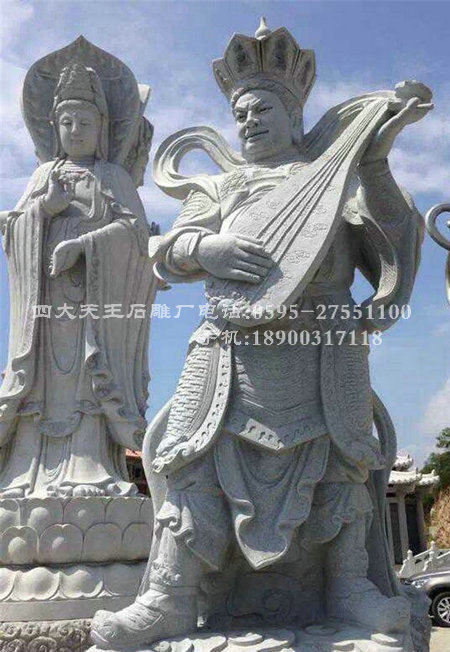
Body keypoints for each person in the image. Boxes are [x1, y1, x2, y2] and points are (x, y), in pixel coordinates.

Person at [92, 21, 432, 649]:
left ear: (294, 114)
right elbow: (165, 250)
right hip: (229, 348)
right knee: (190, 456)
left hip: (322, 344)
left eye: (263, 109)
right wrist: (207, 248)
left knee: (343, 458)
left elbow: (392, 237)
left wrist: (376, 161)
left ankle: (349, 586)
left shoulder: (335, 177)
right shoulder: (225, 185)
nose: (249, 121)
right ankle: (170, 594)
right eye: (241, 113)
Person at [0, 60, 157, 498]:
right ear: (53, 126)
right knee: (42, 384)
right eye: (67, 122)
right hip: (44, 312)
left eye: (85, 122)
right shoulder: (43, 175)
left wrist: (84, 245)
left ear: (102, 126)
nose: (75, 130)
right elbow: (15, 229)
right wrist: (42, 211)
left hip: (95, 308)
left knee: (89, 378)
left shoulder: (113, 177)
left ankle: (90, 467)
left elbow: (136, 235)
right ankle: (25, 471)